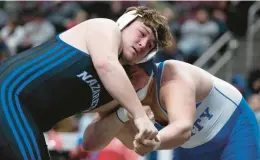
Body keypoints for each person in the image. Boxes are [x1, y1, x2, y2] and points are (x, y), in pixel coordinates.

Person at [0, 6, 172, 160]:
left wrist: (126, 117)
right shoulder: (105, 27)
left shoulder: (115, 91)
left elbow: (90, 143)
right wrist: (139, 115)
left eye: (150, 46)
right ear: (125, 23)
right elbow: (105, 64)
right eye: (141, 33)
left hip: (26, 118)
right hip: (9, 94)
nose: (143, 44)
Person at [83, 60, 260, 160]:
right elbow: (91, 144)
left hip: (234, 131)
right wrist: (120, 115)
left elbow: (183, 129)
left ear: (136, 72)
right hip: (191, 150)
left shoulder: (171, 76)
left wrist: (153, 140)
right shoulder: (121, 97)